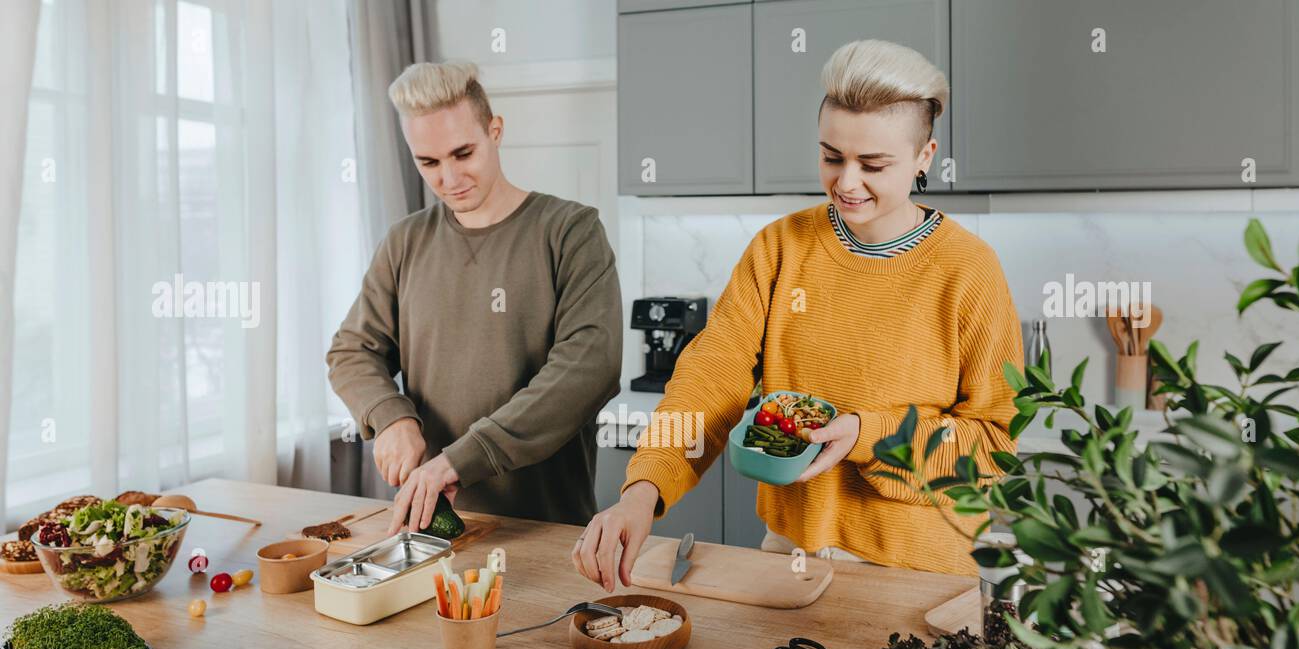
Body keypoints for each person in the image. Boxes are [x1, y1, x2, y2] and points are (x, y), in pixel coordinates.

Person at [573, 39, 1022, 588]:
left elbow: (994, 445)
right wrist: (644, 490)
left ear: (925, 157)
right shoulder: (780, 248)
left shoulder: (968, 270)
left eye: (873, 164)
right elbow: (709, 380)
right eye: (832, 157)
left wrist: (864, 434)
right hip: (789, 557)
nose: (847, 182)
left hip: (920, 571)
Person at [328, 61, 622, 533]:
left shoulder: (571, 231)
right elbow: (352, 350)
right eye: (429, 162)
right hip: (433, 527)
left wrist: (460, 460)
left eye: (463, 153)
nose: (448, 178)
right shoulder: (405, 241)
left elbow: (589, 369)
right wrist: (390, 416)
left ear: (495, 131)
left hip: (548, 526)